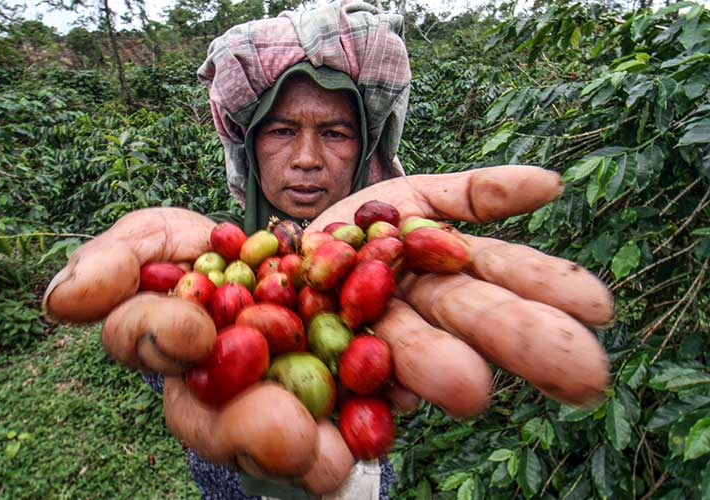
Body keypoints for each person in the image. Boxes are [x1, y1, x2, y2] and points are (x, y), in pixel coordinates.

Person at [42, 1, 614, 499]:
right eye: (282, 131)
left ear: (365, 147)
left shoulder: (390, 261)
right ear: (251, 146)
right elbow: (171, 346)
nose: (308, 158)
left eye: (336, 133)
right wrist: (170, 335)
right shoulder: (203, 250)